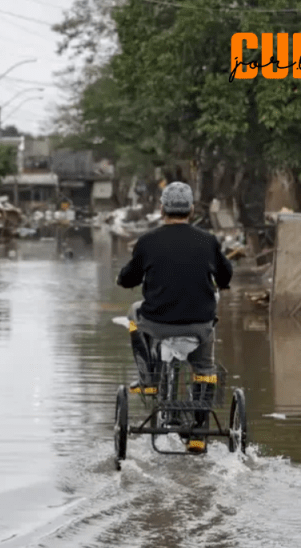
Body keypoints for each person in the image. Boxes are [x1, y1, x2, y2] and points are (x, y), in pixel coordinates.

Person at [116, 182, 233, 454]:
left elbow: (129, 276)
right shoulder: (208, 240)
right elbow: (225, 276)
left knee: (133, 312)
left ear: (161, 209)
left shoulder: (147, 241)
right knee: (205, 367)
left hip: (157, 325)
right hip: (199, 325)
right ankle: (198, 435)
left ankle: (149, 379)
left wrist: (123, 279)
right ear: (191, 210)